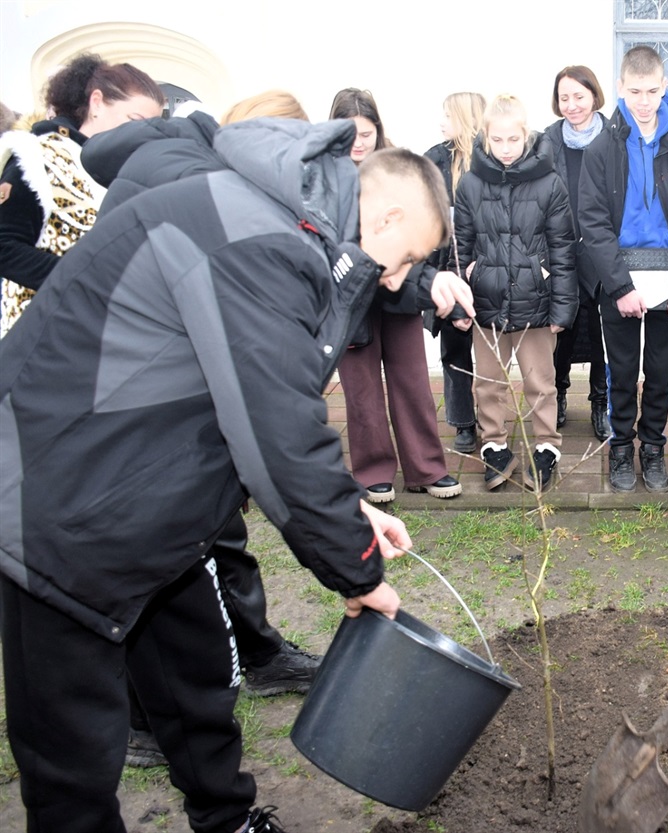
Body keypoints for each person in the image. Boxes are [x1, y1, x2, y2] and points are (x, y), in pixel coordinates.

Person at [0, 112, 473, 831]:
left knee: (193, 681)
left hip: (151, 504)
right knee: (72, 757)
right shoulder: (260, 240)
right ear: (389, 213)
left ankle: (227, 820)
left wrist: (351, 507)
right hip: (58, 504)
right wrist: (360, 572)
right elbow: (278, 436)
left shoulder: (287, 230)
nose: (397, 278)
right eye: (405, 257)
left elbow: (249, 401)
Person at [79, 89, 329, 770]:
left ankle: (257, 654)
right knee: (150, 566)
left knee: (217, 533)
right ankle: (139, 719)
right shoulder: (188, 183)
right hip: (133, 416)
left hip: (185, 401)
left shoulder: (199, 173)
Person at [579, 45, 668, 493]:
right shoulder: (602, 147)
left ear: (665, 87)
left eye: (652, 91)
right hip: (621, 280)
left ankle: (653, 447)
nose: (643, 100)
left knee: (659, 371)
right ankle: (621, 447)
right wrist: (618, 285)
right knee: (621, 369)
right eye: (634, 91)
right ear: (619, 87)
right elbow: (592, 221)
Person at [331, 88, 461, 502]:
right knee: (362, 390)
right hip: (353, 302)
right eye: (350, 133)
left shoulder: (395, 170)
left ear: (378, 130)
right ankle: (372, 473)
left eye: (366, 132)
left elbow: (417, 231)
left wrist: (421, 278)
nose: (359, 141)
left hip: (401, 293)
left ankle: (426, 468)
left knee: (413, 382)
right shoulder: (324, 177)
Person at [455, 94, 576, 492]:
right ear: (485, 138)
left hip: (535, 303)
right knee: (487, 381)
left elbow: (562, 247)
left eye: (513, 139)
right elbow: (460, 243)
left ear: (526, 135)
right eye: (498, 140)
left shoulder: (549, 183)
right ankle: (494, 446)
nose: (506, 149)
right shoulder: (470, 184)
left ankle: (546, 448)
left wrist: (562, 307)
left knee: (540, 381)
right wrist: (460, 296)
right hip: (485, 302)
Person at [0, 52, 163, 335]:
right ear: (96, 103)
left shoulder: (131, 174)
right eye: (134, 120)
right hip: (37, 338)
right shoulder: (40, 157)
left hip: (98, 341)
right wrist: (83, 281)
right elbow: (4, 246)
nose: (141, 134)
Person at [544, 65, 611, 442]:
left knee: (605, 333)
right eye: (564, 97)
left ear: (594, 96)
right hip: (561, 250)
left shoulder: (616, 138)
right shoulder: (547, 141)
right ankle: (559, 394)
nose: (571, 105)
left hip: (604, 250)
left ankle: (601, 402)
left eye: (579, 96)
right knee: (561, 329)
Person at [426, 91, 487, 454]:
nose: (441, 123)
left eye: (447, 116)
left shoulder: (491, 159)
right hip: (447, 267)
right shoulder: (433, 160)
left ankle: (493, 420)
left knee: (493, 349)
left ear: (464, 118)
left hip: (489, 264)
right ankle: (463, 422)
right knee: (454, 346)